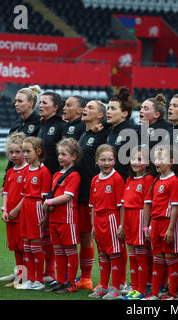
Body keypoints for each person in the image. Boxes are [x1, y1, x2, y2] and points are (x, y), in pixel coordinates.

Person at [75, 100, 108, 290]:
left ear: (100, 116)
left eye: (90, 108)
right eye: (85, 107)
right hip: (81, 192)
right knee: (85, 236)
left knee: (102, 238)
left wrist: (104, 127)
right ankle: (85, 278)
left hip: (96, 193)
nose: (85, 110)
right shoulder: (84, 134)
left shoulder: (102, 134)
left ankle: (109, 281)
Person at [142, 145, 178, 300]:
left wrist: (171, 229)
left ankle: (172, 293)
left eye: (161, 159)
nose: (157, 162)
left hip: (167, 224)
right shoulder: (157, 181)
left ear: (171, 162)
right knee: (157, 259)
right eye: (156, 159)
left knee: (171, 259)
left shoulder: (173, 182)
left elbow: (175, 207)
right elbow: (152, 207)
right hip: (156, 224)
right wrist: (148, 227)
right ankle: (154, 293)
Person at [42, 138, 81, 294]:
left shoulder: (74, 175)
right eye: (59, 154)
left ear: (73, 156)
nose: (60, 157)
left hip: (67, 220)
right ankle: (61, 280)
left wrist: (48, 202)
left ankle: (71, 282)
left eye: (64, 154)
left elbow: (67, 197)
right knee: (58, 251)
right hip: (55, 219)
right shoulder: (56, 174)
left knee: (70, 251)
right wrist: (46, 215)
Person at [88, 144, 125, 299]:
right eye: (103, 160)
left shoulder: (116, 179)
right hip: (98, 219)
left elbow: (122, 206)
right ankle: (103, 286)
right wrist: (92, 226)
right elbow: (92, 206)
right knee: (102, 254)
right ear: (96, 161)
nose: (106, 163)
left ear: (115, 161)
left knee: (114, 254)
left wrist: (121, 225)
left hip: (112, 219)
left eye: (110, 159)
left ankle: (116, 287)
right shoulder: (95, 180)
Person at [15, 137, 51, 290]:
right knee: (26, 245)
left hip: (37, 207)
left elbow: (45, 198)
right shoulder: (26, 170)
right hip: (26, 208)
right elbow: (24, 194)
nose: (25, 154)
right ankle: (29, 279)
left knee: (36, 244)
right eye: (23, 151)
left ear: (38, 151)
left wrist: (45, 217)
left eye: (28, 151)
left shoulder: (44, 171)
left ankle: (39, 280)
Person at [37, 91, 65, 281]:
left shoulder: (60, 127)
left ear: (55, 107)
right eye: (39, 102)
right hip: (39, 180)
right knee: (40, 227)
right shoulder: (43, 125)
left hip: (53, 182)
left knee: (48, 227)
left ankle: (50, 272)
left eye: (44, 102)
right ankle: (41, 272)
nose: (40, 105)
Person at [122, 145, 156, 300]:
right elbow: (124, 204)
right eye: (133, 158)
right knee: (132, 256)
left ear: (148, 162)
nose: (135, 162)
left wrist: (145, 226)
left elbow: (147, 204)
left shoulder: (148, 179)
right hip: (128, 218)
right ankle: (134, 288)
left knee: (141, 255)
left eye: (140, 159)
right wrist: (122, 224)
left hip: (139, 217)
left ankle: (142, 289)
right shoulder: (129, 179)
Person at [0, 132, 29, 287]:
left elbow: (27, 195)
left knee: (25, 247)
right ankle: (20, 276)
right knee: (16, 248)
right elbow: (5, 192)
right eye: (11, 152)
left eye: (18, 152)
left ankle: (27, 277)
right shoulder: (10, 172)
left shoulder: (28, 170)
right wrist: (4, 209)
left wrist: (16, 210)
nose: (14, 155)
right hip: (10, 216)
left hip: (22, 216)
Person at [106, 87, 139, 181]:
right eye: (108, 108)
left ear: (124, 113)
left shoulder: (133, 132)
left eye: (113, 109)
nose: (108, 112)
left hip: (125, 184)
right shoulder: (110, 130)